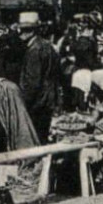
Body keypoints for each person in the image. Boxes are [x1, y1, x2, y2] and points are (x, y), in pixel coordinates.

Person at [17, 13, 61, 141]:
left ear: (31, 31)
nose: (21, 34)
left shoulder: (34, 50)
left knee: (35, 137)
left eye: (25, 30)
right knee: (43, 134)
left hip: (37, 102)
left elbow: (32, 82)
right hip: (48, 99)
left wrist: (23, 102)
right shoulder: (47, 45)